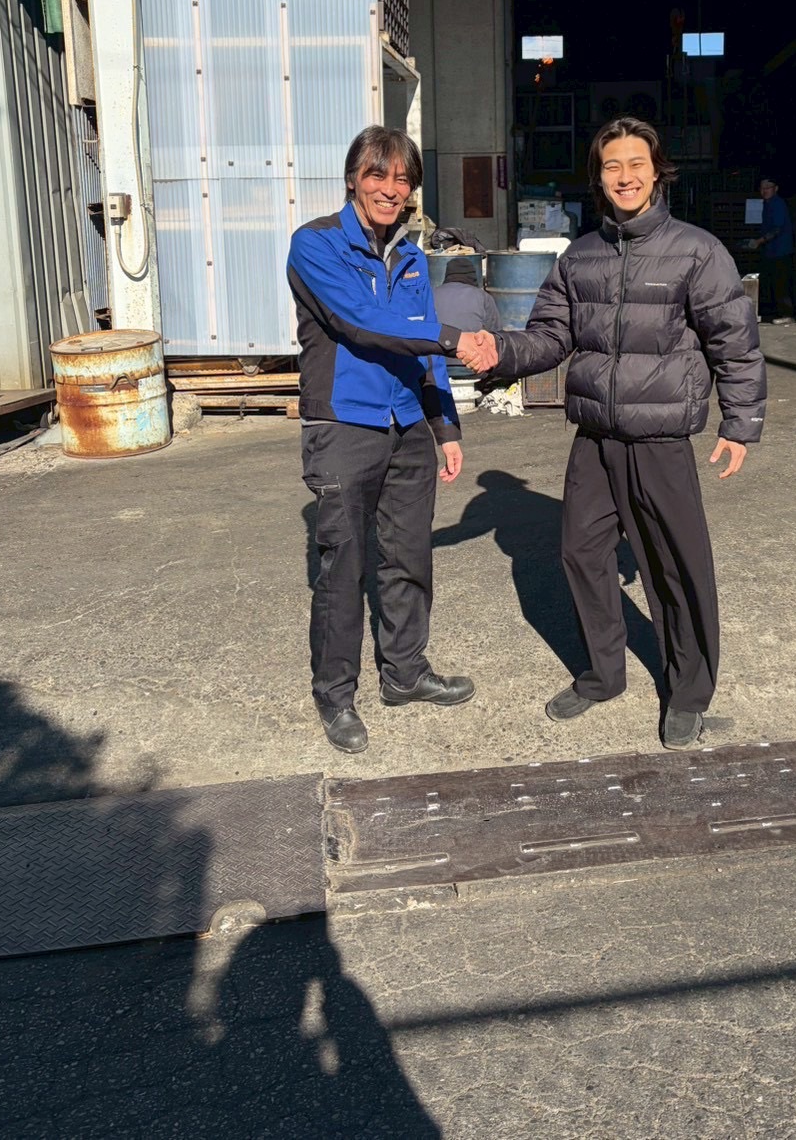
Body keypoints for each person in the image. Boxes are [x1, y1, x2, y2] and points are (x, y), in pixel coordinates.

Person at [458, 115, 767, 751]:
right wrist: (500, 351)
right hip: (595, 436)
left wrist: (740, 422)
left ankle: (688, 694)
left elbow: (734, 342)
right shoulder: (581, 256)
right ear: (599, 178)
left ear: (657, 172)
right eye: (611, 167)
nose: (624, 177)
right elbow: (550, 336)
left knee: (674, 567)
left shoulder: (697, 251)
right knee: (580, 551)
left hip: (660, 439)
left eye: (635, 164)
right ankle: (604, 674)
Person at [286, 126, 484, 755]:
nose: (391, 190)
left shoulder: (410, 257)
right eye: (378, 175)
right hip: (344, 425)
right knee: (343, 566)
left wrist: (445, 426)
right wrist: (455, 339)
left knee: (408, 557)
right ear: (353, 179)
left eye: (403, 179)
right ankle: (335, 695)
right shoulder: (315, 244)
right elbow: (363, 323)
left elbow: (421, 349)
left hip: (407, 428)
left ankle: (405, 674)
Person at [750, 177, 794, 324]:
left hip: (781, 250)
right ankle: (776, 312)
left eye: (767, 187)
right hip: (770, 251)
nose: (764, 191)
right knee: (772, 283)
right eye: (762, 188)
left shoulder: (777, 204)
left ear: (776, 188)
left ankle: (787, 314)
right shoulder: (767, 204)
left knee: (781, 283)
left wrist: (759, 241)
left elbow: (777, 229)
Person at [433, 257, 501, 334]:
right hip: (471, 340)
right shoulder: (483, 296)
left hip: (436, 341)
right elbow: (496, 332)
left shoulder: (432, 294)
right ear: (472, 276)